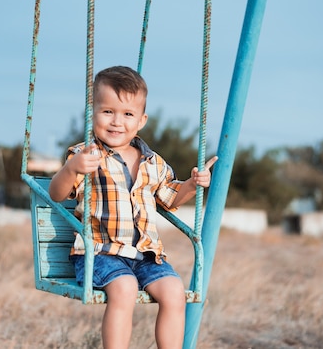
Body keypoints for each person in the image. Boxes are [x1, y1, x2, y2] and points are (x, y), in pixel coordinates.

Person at [49, 65, 217, 349]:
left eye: (127, 114)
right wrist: (71, 169)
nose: (117, 122)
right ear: (92, 112)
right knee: (125, 288)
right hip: (102, 253)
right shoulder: (84, 155)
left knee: (175, 291)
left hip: (147, 255)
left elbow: (170, 197)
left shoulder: (154, 162)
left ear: (141, 120)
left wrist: (191, 184)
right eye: (107, 112)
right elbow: (56, 193)